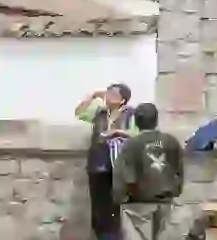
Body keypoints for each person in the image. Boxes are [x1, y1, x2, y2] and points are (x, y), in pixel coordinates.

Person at [113, 103, 184, 240]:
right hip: (165, 202)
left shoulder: (131, 144)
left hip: (138, 204)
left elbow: (124, 176)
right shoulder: (171, 141)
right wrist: (175, 190)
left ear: (136, 121)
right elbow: (179, 171)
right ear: (156, 120)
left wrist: (119, 198)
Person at [76, 83, 137, 240]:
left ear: (122, 100)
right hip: (97, 164)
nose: (107, 96)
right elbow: (79, 113)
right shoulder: (100, 113)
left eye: (112, 94)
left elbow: (139, 135)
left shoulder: (131, 114)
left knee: (113, 207)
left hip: (118, 166)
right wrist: (92, 96)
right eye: (108, 93)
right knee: (98, 207)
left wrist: (119, 133)